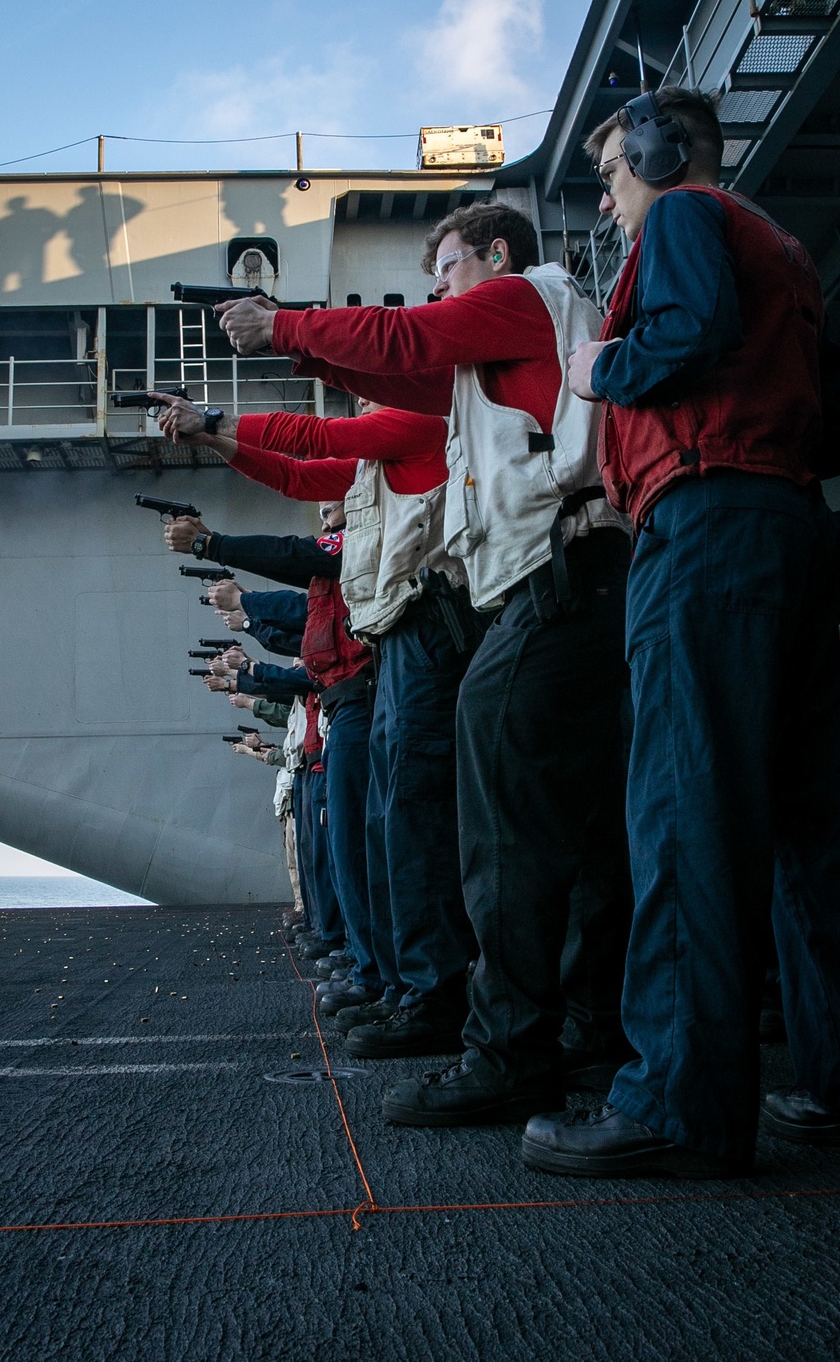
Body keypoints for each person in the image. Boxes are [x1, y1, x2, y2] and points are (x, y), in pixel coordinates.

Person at [520, 86, 840, 1178]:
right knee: (817, 828)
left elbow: (681, 336)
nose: (607, 195)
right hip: (786, 530)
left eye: (611, 172)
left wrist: (604, 373)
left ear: (658, 150)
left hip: (704, 539)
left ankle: (678, 1103)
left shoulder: (685, 217)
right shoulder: (784, 249)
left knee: (684, 813)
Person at [220, 202, 634, 1127]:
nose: (439, 285)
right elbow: (393, 386)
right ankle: (588, 1033)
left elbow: (403, 347)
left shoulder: (520, 297)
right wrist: (301, 358)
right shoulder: (494, 362)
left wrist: (283, 325)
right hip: (573, 579)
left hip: (552, 579)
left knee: (502, 831)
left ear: (493, 254)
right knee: (577, 825)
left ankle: (509, 1051)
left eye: (446, 266)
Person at [155, 393, 481, 1053]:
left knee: (398, 838)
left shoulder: (408, 426)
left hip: (400, 662)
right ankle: (398, 983)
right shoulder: (372, 471)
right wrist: (216, 443)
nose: (333, 518)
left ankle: (418, 989)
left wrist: (219, 532)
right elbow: (298, 476)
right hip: (376, 681)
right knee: (383, 842)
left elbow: (311, 498)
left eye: (367, 387)